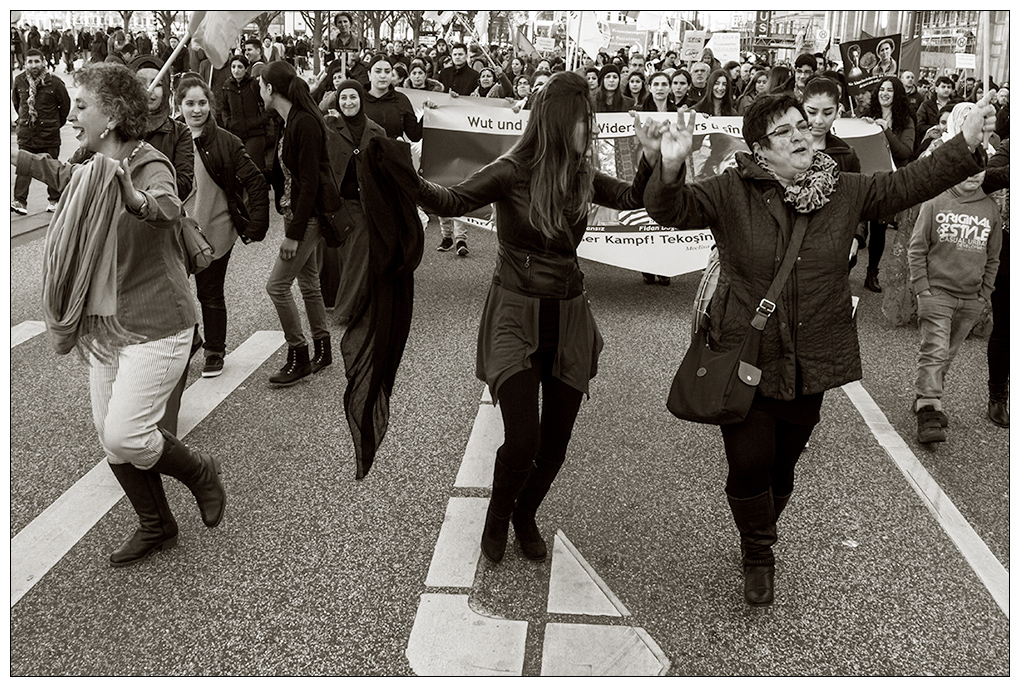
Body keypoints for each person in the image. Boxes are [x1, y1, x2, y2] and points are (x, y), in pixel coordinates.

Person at [638, 90, 996, 606]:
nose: (802, 135)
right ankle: (759, 551)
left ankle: (759, 526)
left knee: (782, 468)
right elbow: (669, 210)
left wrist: (962, 144)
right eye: (786, 131)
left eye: (802, 125)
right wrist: (669, 165)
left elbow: (906, 183)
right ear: (761, 149)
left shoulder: (843, 189)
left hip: (812, 356)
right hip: (747, 352)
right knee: (748, 463)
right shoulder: (730, 191)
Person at [417, 71, 660, 564]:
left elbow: (635, 200)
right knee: (523, 440)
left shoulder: (580, 172)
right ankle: (498, 515)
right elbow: (452, 199)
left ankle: (525, 513)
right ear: (557, 120)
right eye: (583, 120)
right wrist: (401, 171)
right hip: (514, 311)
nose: (589, 128)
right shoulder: (511, 169)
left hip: (568, 314)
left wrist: (650, 158)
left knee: (555, 447)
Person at [13, 62, 225, 567]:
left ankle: (200, 471)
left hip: (158, 323)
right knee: (111, 440)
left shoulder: (149, 163)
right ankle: (157, 524)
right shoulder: (89, 160)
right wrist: (16, 157)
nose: (71, 118)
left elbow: (168, 206)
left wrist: (132, 198)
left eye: (80, 106)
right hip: (107, 322)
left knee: (125, 434)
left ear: (110, 116)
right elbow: (66, 175)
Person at [176, 76, 269, 378]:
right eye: (190, 103)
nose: (196, 109)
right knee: (173, 294)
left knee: (210, 294)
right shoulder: (171, 138)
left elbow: (255, 180)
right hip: (175, 231)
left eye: (202, 103)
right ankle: (191, 337)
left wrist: (256, 222)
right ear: (179, 105)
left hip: (214, 229)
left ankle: (214, 351)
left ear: (210, 105)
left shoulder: (226, 141)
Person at [257, 60, 342, 386]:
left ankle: (299, 354)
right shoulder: (290, 119)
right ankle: (323, 347)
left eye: (262, 85)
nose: (259, 90)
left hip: (307, 219)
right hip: (297, 215)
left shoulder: (304, 123)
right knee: (309, 284)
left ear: (271, 88)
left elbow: (308, 183)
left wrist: (293, 235)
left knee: (276, 286)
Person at [908, 168, 1001, 442]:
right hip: (937, 293)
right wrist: (922, 290)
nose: (973, 175)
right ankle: (929, 411)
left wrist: (984, 294)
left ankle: (924, 396)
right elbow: (917, 248)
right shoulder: (935, 201)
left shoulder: (990, 208)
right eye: (966, 169)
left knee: (945, 354)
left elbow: (993, 256)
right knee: (935, 351)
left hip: (971, 298)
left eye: (979, 170)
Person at [859, 77, 916, 292]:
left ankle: (872, 272)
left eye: (889, 90)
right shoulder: (866, 116)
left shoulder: (906, 122)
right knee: (857, 221)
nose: (884, 93)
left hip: (889, 181)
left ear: (897, 94)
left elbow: (905, 152)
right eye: (881, 89)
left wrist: (886, 130)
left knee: (879, 228)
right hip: (865, 177)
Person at [11, 48, 70, 215]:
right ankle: (19, 201)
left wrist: (54, 124)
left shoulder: (55, 83)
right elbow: (17, 103)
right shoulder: (19, 81)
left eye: (37, 61)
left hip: (49, 132)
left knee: (51, 167)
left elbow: (64, 107)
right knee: (23, 166)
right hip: (26, 133)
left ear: (43, 62)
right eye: (30, 62)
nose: (33, 65)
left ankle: (54, 200)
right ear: (25, 63)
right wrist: (25, 119)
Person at [435, 42, 480, 255]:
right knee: (442, 184)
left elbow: (476, 102)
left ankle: (461, 239)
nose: (458, 57)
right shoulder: (442, 73)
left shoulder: (473, 76)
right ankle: (446, 236)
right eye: (455, 54)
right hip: (443, 132)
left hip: (464, 131)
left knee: (460, 186)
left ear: (466, 56)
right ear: (451, 55)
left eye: (462, 54)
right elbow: (435, 97)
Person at [981, 140, 1009, 427]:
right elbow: (986, 178)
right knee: (1006, 326)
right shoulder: (1011, 146)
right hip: (1010, 247)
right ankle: (998, 395)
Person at [221, 54, 271, 175]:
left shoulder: (254, 84)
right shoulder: (227, 86)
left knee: (254, 169)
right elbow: (224, 107)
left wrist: (257, 122)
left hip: (255, 133)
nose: (236, 70)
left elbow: (267, 107)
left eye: (240, 67)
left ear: (246, 68)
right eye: (233, 67)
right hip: (235, 133)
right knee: (237, 169)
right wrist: (228, 122)